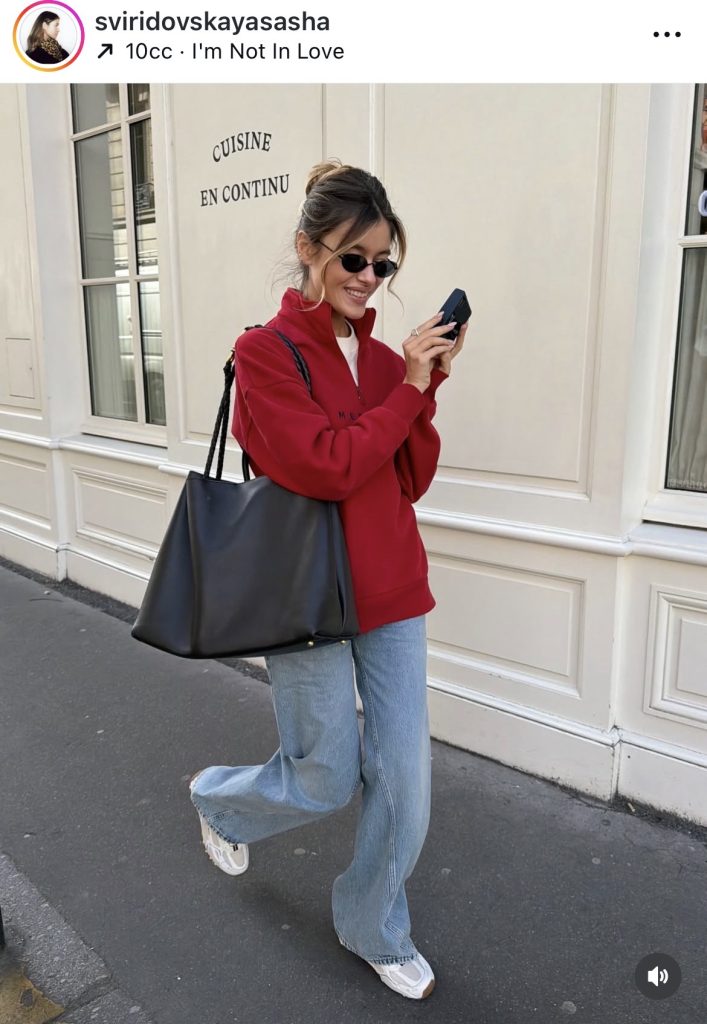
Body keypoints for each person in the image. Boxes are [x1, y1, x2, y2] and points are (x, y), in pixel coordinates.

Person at [189, 160, 468, 1000]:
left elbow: (407, 477)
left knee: (405, 785)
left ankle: (372, 925)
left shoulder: (386, 363)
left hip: (392, 590)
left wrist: (423, 387)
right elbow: (327, 465)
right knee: (322, 776)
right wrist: (405, 393)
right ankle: (221, 803)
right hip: (304, 593)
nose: (369, 277)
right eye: (353, 258)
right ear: (308, 249)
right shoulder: (262, 354)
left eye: (383, 263)